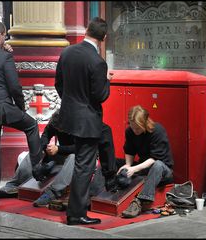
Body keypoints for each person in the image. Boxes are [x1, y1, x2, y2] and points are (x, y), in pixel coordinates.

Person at [55, 17, 116, 226]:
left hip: (69, 117)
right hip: (88, 120)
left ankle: (75, 209)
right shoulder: (98, 62)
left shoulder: (67, 52)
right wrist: (107, 79)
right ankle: (76, 214)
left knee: (80, 164)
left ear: (87, 31)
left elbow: (58, 84)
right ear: (103, 38)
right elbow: (100, 95)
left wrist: (71, 104)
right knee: (84, 166)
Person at [0, 21, 42, 209]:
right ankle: (38, 169)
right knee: (31, 125)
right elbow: (14, 87)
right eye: (5, 35)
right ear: (1, 35)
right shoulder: (4, 58)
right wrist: (21, 107)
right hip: (3, 107)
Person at [0, 109, 114, 209]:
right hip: (61, 153)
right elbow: (46, 135)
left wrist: (58, 149)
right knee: (32, 153)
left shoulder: (80, 125)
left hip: (82, 156)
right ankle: (14, 184)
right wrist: (44, 149)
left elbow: (80, 148)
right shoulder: (56, 121)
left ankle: (53, 192)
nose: (60, 131)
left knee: (73, 157)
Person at [118, 105, 174, 218]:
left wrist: (134, 169)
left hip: (163, 170)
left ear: (145, 123)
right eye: (133, 128)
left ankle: (141, 201)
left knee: (157, 165)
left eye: (137, 128)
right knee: (115, 163)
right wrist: (128, 165)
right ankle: (93, 195)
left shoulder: (157, 130)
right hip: (144, 167)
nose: (135, 131)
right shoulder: (130, 132)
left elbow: (155, 158)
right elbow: (129, 150)